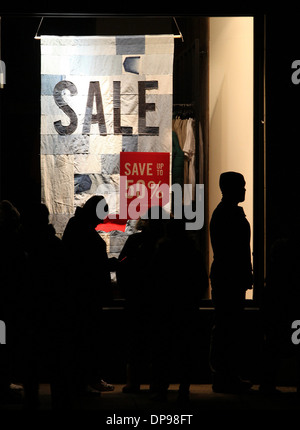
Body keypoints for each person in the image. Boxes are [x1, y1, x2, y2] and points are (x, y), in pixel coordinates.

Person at [62, 195, 113, 398]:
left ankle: (82, 383)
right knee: (85, 340)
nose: (102, 221)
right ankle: (84, 383)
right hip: (84, 297)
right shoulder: (83, 231)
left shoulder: (76, 226)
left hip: (79, 295)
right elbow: (89, 264)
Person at [209, 171, 253, 393]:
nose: (245, 189)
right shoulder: (228, 214)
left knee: (228, 327)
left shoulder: (226, 213)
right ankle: (225, 375)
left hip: (229, 277)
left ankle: (226, 375)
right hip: (229, 278)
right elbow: (234, 251)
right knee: (228, 327)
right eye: (242, 186)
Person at [0, 200, 25, 404]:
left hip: (6, 304)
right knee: (3, 343)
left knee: (3, 342)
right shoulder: (12, 243)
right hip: (7, 305)